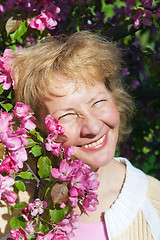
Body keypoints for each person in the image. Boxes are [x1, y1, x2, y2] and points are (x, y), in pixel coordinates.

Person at [1, 31, 160, 239]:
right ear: (36, 127)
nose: (92, 127)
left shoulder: (155, 205)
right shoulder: (8, 211)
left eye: (98, 102)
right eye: (67, 115)